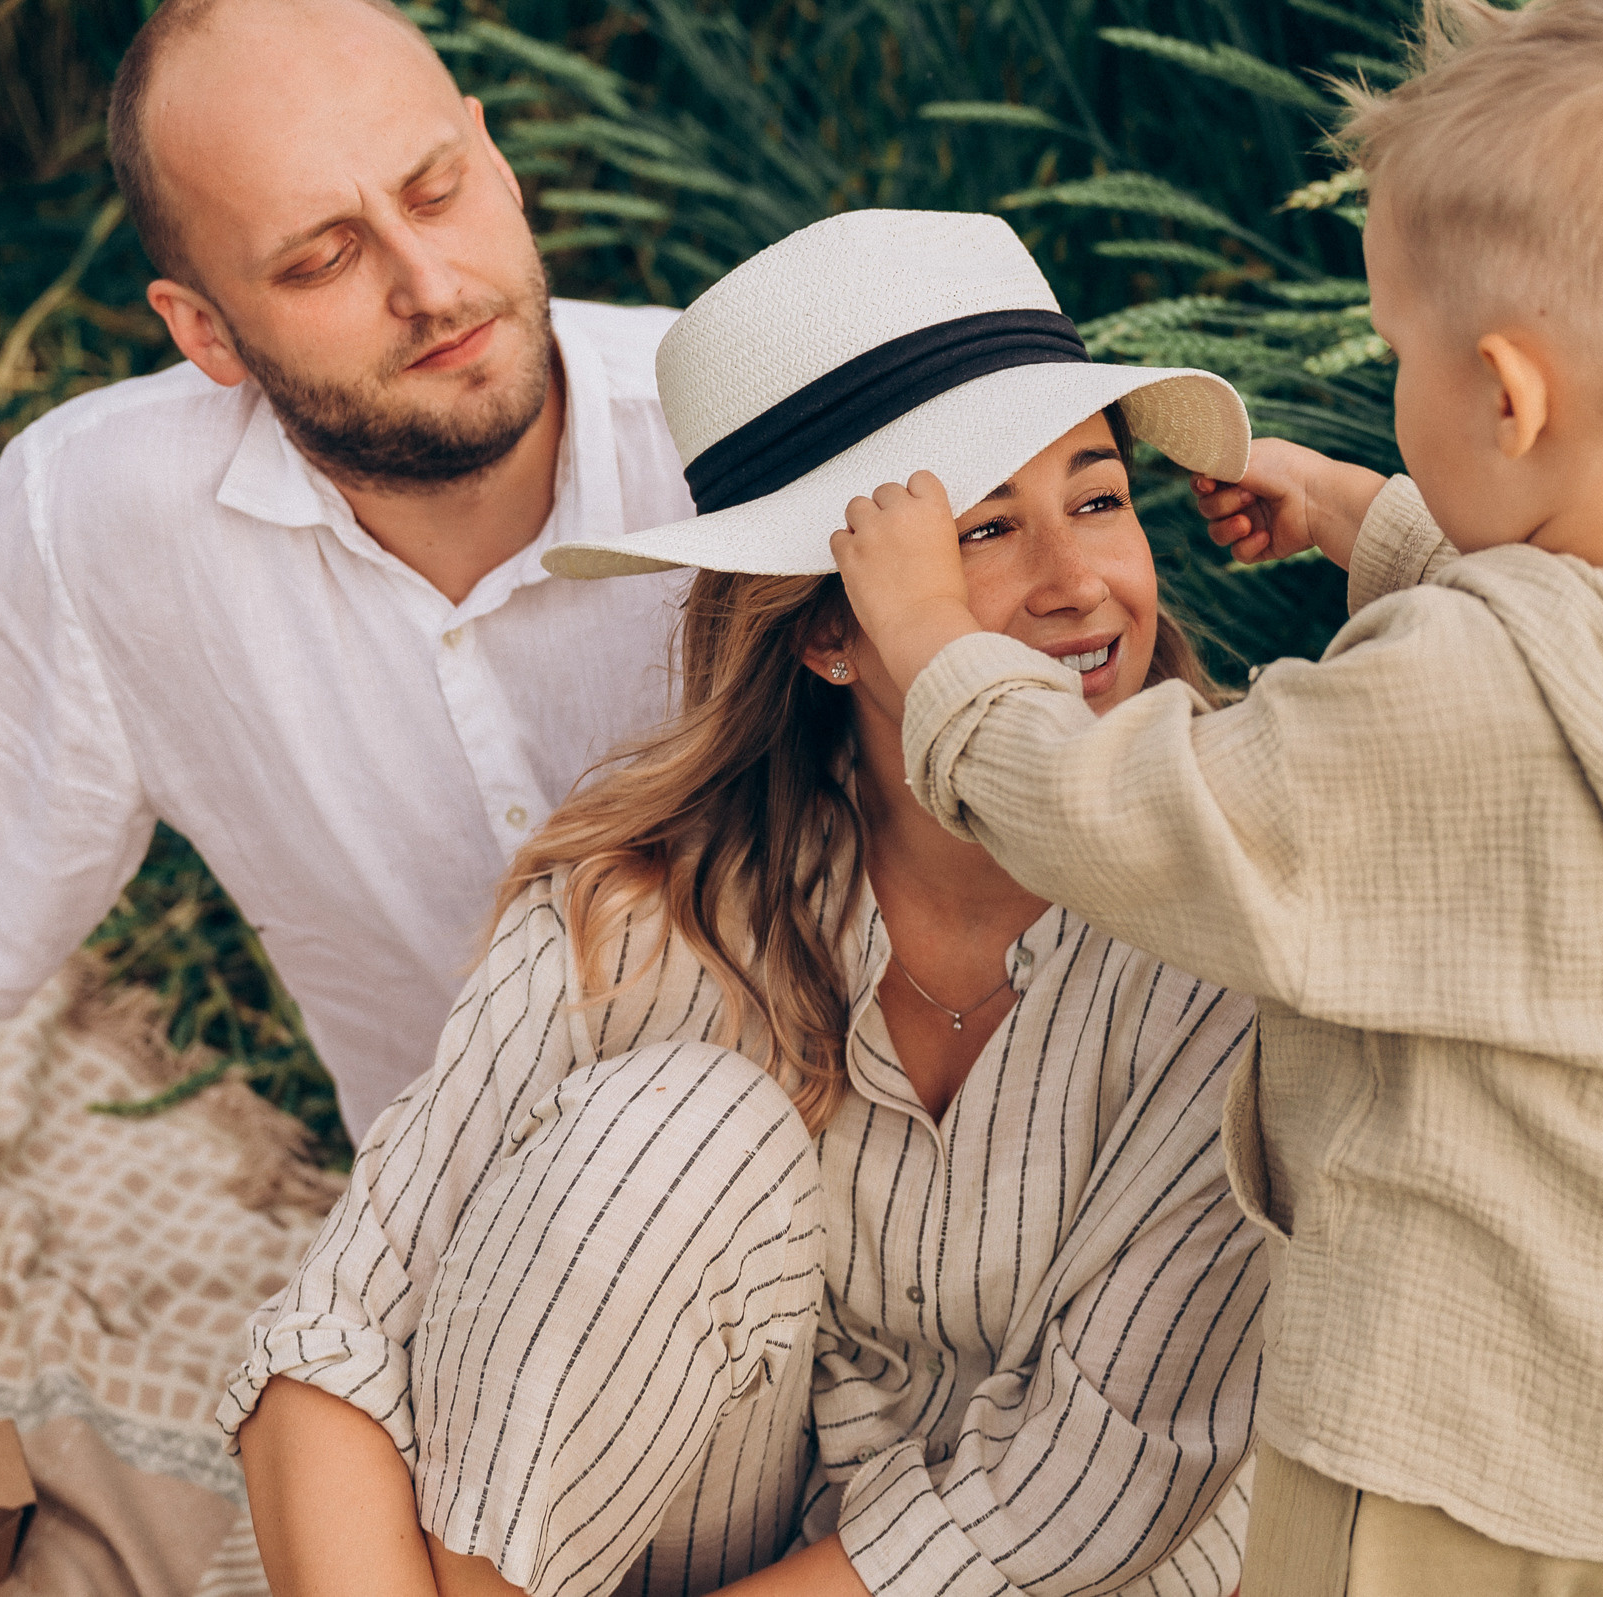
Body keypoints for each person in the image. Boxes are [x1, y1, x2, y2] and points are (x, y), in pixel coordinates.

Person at [829, 4, 1603, 1596]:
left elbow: (1141, 812)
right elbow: (1585, 639)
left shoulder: (1451, 706)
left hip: (1442, 1430)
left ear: (1505, 392)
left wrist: (935, 645)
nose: (1392, 385)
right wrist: (1371, 518)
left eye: (1400, 355)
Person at [221, 209, 1267, 1597]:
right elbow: (344, 1330)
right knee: (678, 1132)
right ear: (828, 628)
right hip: (645, 1548)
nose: (1080, 584)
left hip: (1071, 1576)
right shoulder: (653, 895)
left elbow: (1068, 1502)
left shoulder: (1246, 904)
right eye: (979, 532)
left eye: (1097, 497)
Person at [0, 0, 693, 1325]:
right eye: (321, 261)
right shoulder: (102, 523)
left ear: (495, 158)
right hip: (485, 1287)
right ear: (207, 333)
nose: (431, 285)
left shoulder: (744, 433)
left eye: (437, 190)